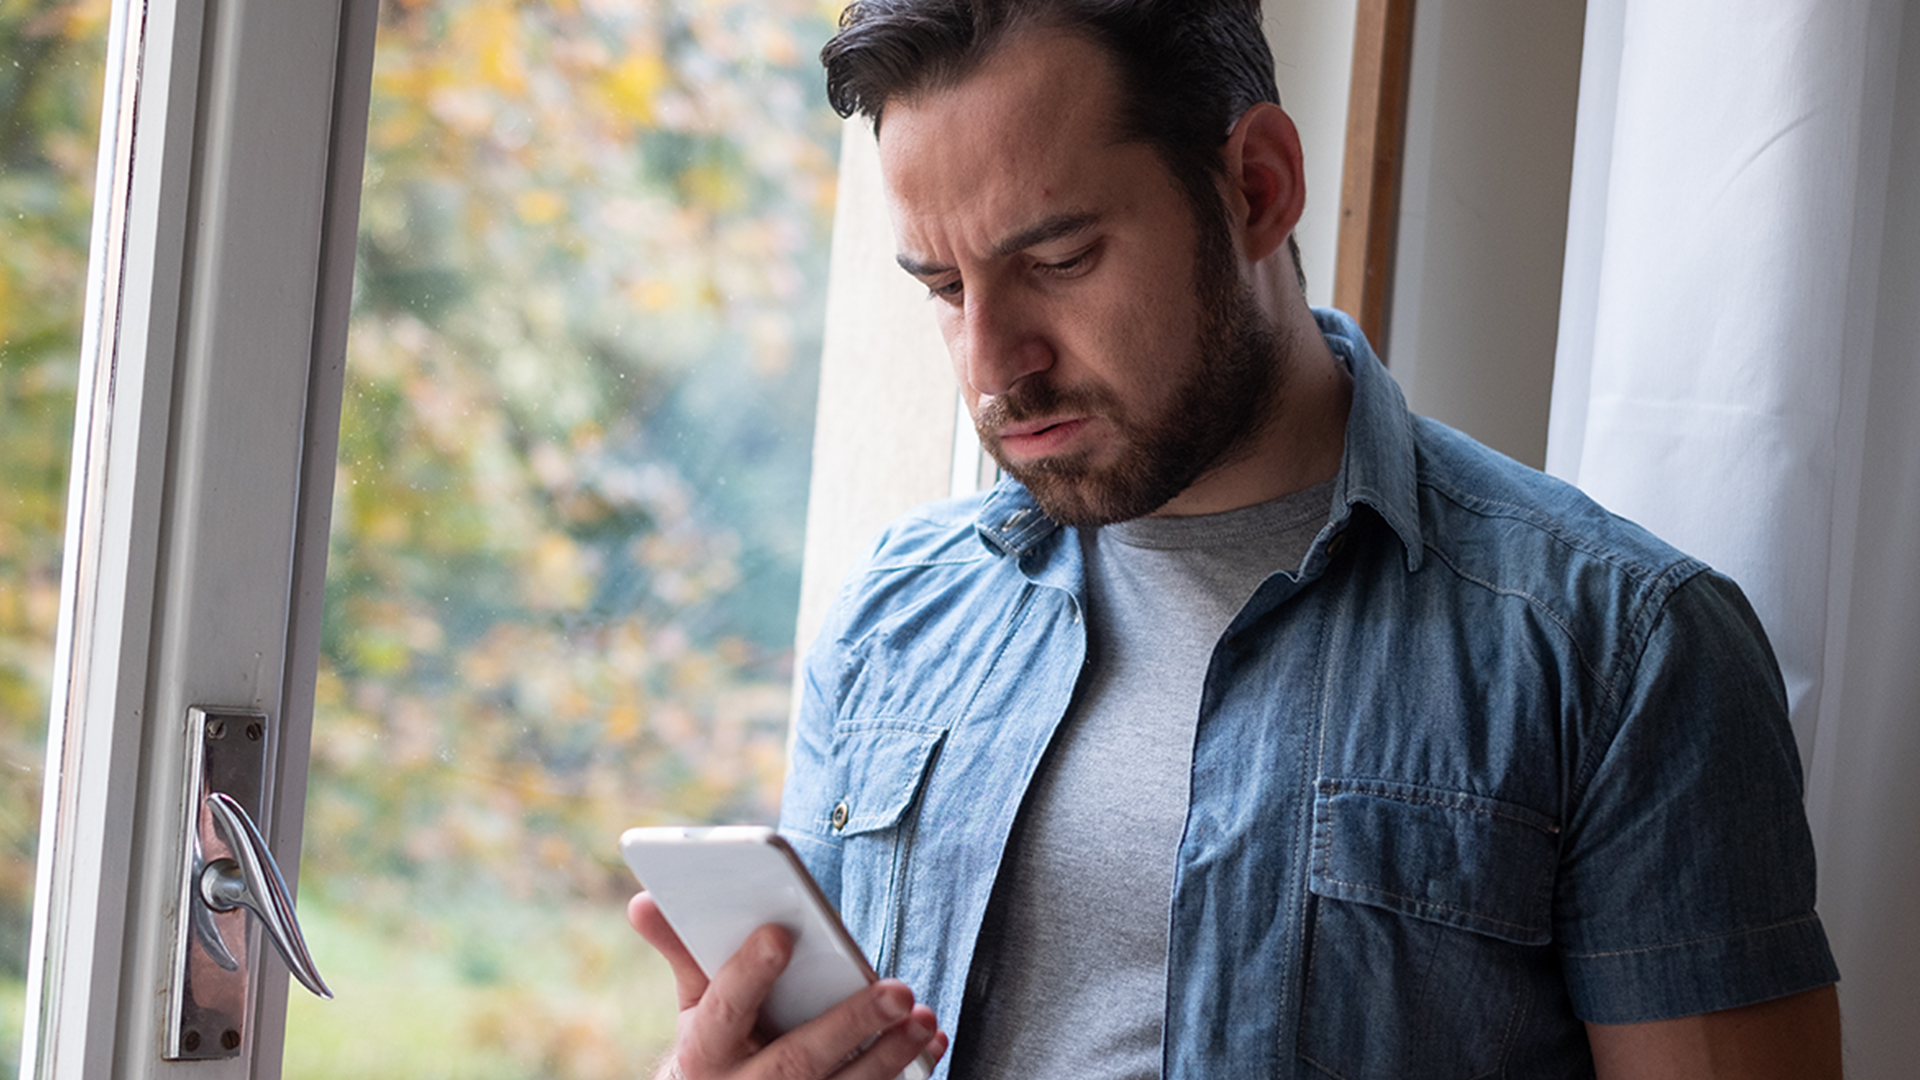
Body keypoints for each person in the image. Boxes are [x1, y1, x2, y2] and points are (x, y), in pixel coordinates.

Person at [629, 1, 1843, 1076]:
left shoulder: (1622, 652)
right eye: (944, 290)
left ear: (1257, 187)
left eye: (1055, 259)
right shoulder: (897, 618)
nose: (994, 364)